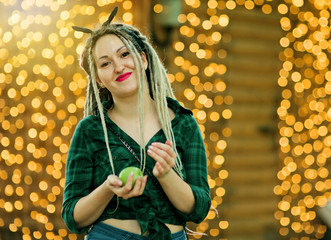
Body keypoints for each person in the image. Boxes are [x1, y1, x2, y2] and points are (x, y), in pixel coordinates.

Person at [62, 6, 211, 240]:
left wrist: (166, 174)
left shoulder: (183, 123)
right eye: (105, 63)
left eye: (124, 54)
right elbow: (73, 217)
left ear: (142, 59)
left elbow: (198, 209)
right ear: (99, 80)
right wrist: (108, 188)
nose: (119, 67)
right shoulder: (90, 130)